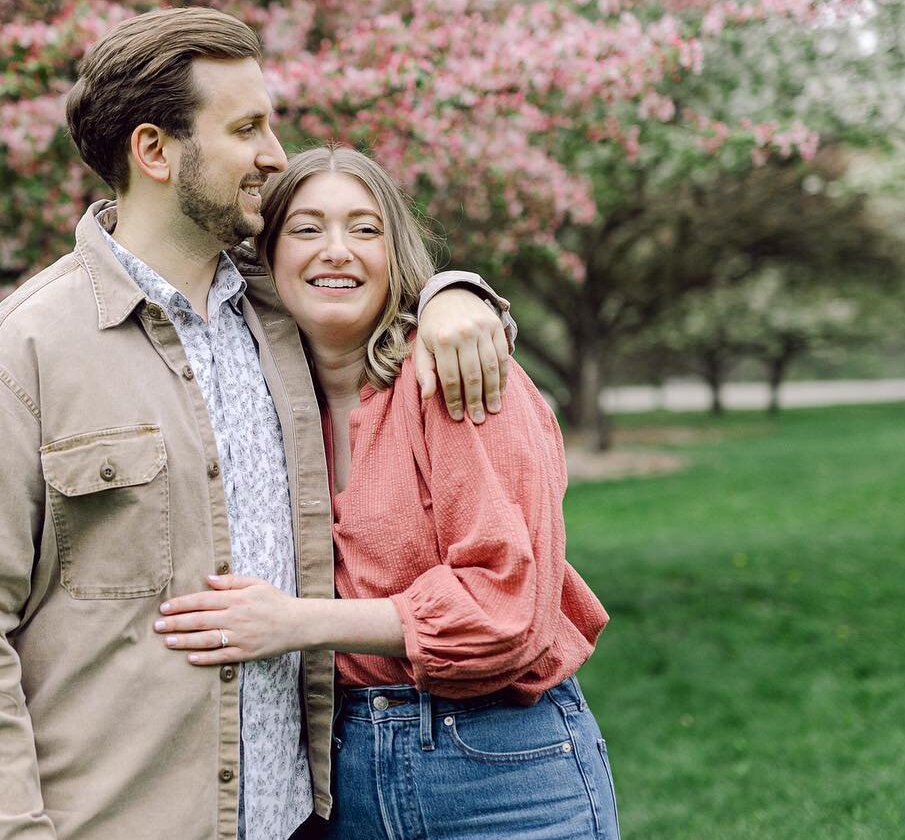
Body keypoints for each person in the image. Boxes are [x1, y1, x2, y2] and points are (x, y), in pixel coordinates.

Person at [0, 8, 520, 840]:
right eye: (247, 128)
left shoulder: (279, 313)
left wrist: (457, 292)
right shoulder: (25, 353)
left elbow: (379, 283)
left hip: (299, 818)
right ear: (155, 151)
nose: (275, 153)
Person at [154, 145, 619, 840]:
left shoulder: (459, 379)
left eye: (364, 229)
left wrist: (292, 623)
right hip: (340, 778)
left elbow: (506, 608)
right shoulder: (262, 405)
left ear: (395, 252)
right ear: (268, 257)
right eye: (307, 229)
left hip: (502, 769)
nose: (336, 251)